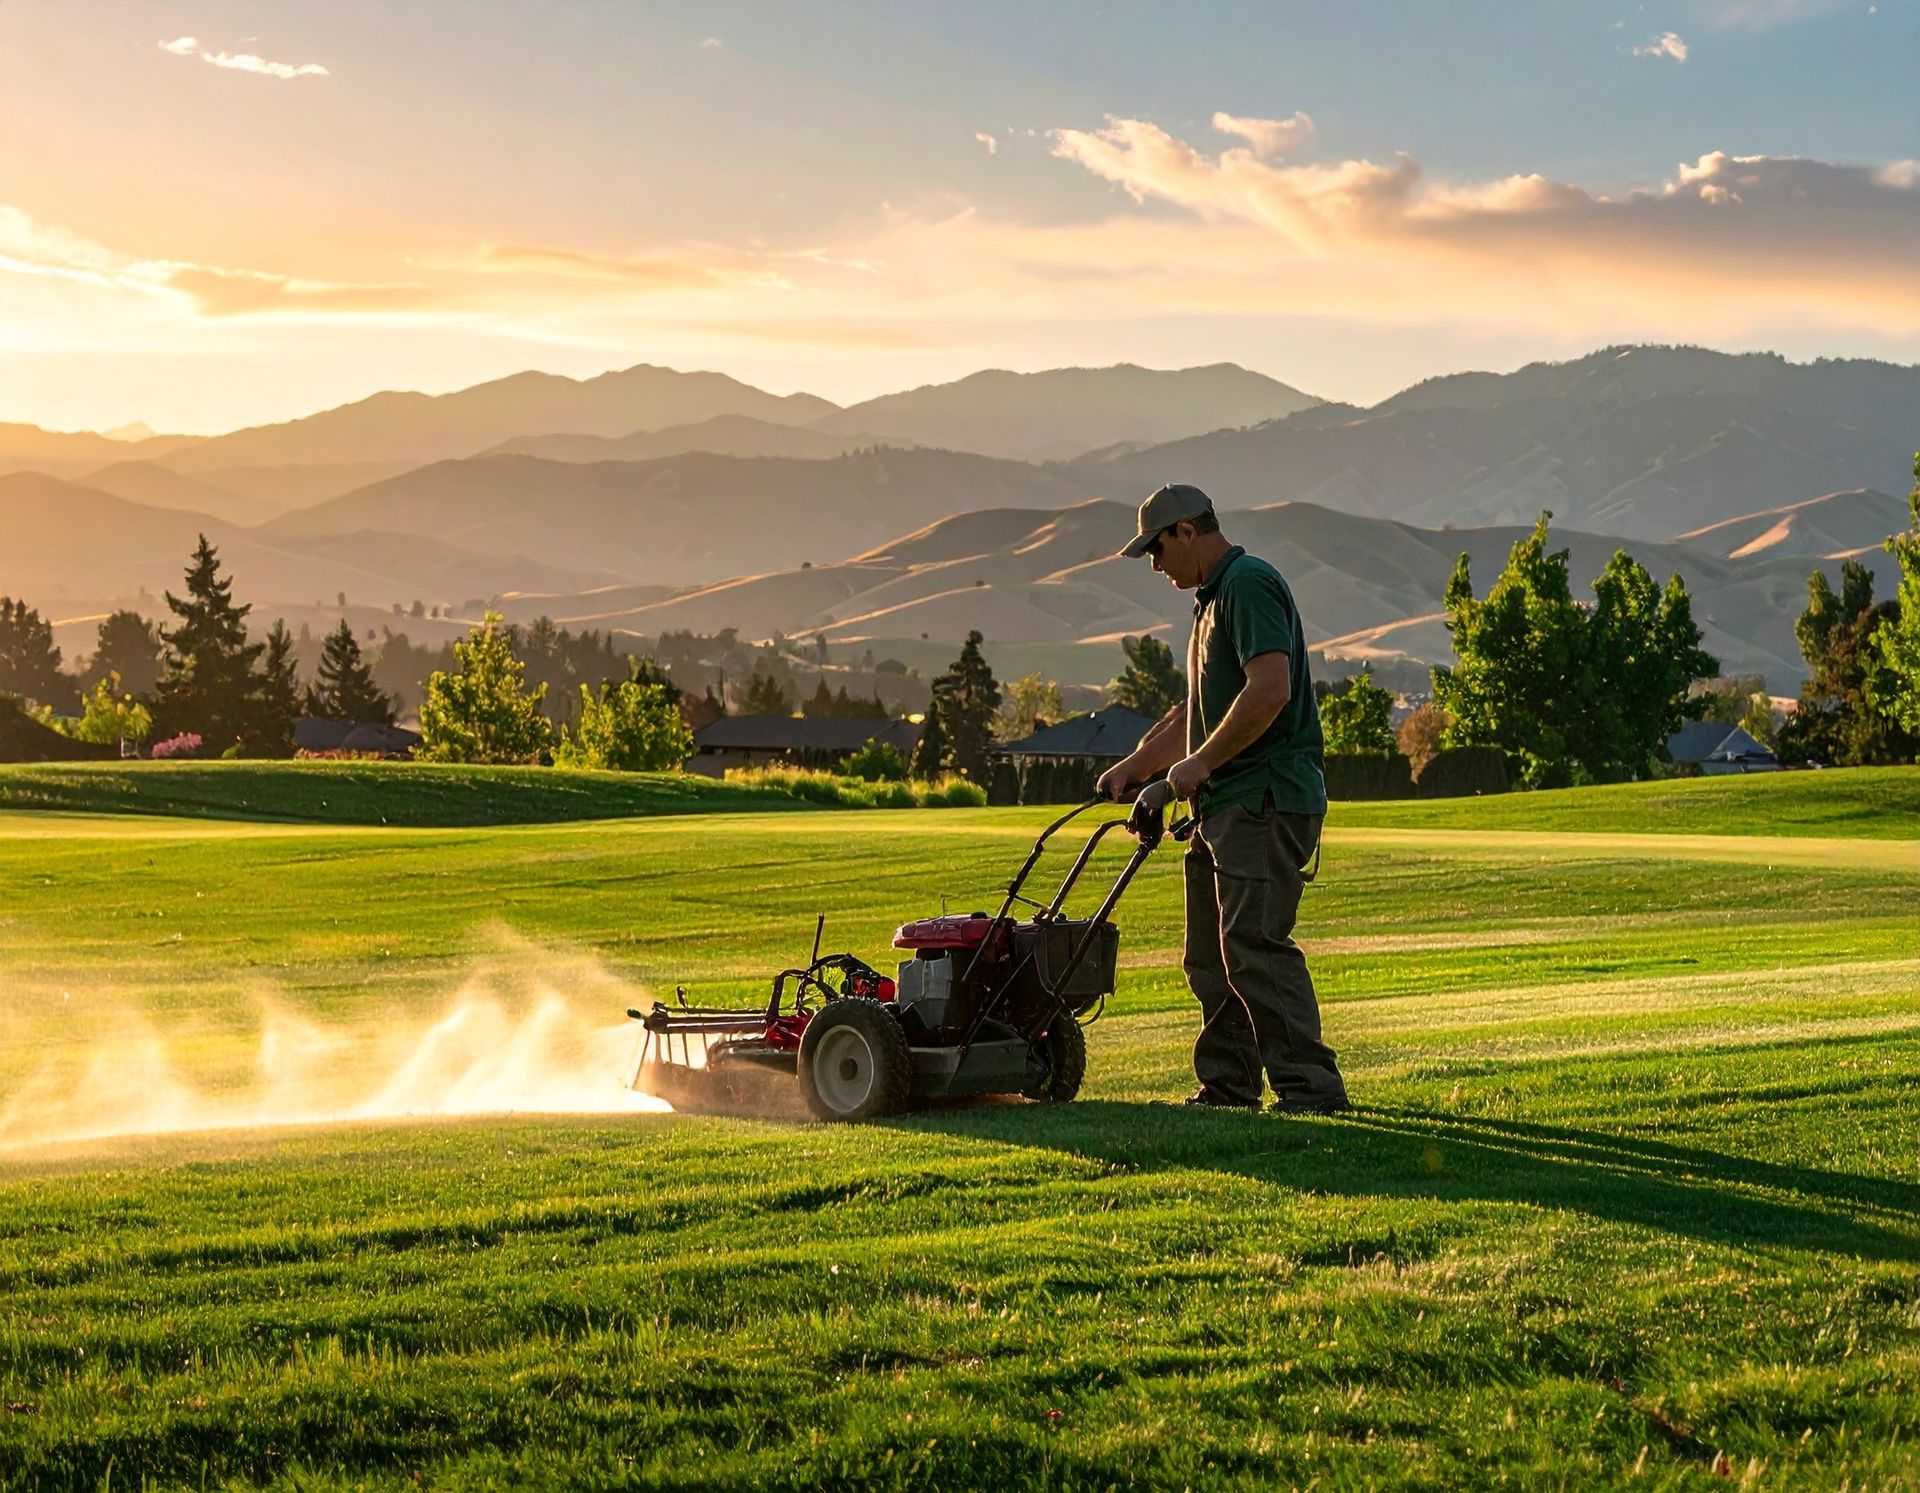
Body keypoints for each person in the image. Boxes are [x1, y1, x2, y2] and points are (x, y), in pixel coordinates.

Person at [1097, 483, 1347, 1113]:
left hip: (1263, 799)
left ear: (1186, 531)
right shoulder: (1210, 602)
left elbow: (1268, 691)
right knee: (1210, 957)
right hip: (1222, 805)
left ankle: (1311, 1091)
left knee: (1254, 946)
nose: (1155, 566)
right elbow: (1198, 712)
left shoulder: (1248, 584)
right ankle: (1229, 1087)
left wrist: (1198, 765)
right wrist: (1138, 766)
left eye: (1156, 550)